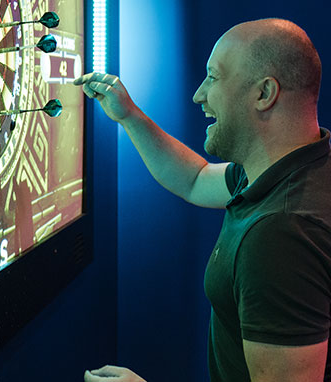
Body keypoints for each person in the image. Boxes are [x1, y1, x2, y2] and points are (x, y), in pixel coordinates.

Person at [75, 18, 331, 382]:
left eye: (213, 77)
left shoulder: (281, 234)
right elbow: (195, 180)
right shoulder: (292, 168)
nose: (199, 94)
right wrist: (129, 116)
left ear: (264, 93)